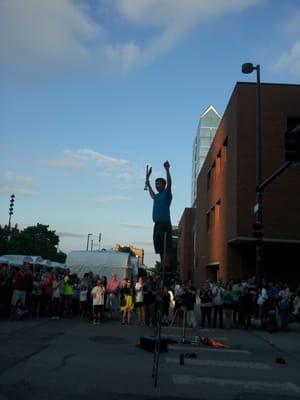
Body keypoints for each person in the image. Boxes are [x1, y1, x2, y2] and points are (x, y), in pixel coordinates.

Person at [145, 160, 173, 271]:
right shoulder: (156, 197)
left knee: (167, 246)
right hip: (156, 224)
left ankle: (167, 266)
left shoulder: (167, 194)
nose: (157, 185)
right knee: (160, 247)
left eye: (159, 183)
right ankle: (163, 265)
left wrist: (167, 169)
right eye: (156, 184)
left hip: (165, 223)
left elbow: (170, 183)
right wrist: (148, 179)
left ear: (163, 185)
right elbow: (150, 192)